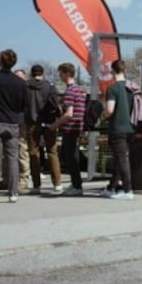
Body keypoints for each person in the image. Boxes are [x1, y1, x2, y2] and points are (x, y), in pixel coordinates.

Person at [0, 50, 28, 204]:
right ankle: (13, 192)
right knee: (12, 158)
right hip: (12, 122)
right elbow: (25, 105)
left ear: (0, 62)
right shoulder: (21, 82)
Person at [48, 63, 86, 196]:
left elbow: (69, 113)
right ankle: (76, 183)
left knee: (70, 157)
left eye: (61, 73)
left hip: (70, 127)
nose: (60, 76)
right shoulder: (80, 90)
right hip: (78, 126)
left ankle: (76, 185)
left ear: (67, 73)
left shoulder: (70, 91)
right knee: (71, 155)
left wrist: (55, 125)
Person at [25, 64, 63, 195]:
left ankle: (36, 184)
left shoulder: (26, 86)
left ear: (31, 73)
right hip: (49, 122)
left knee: (33, 152)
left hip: (31, 122)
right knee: (52, 152)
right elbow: (56, 103)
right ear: (42, 73)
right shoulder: (50, 86)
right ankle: (57, 183)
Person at [102, 60, 136, 200]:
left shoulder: (112, 89)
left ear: (112, 71)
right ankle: (111, 187)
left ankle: (128, 190)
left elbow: (110, 110)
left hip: (117, 128)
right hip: (130, 128)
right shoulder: (132, 88)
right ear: (124, 70)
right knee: (119, 158)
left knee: (121, 159)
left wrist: (103, 114)